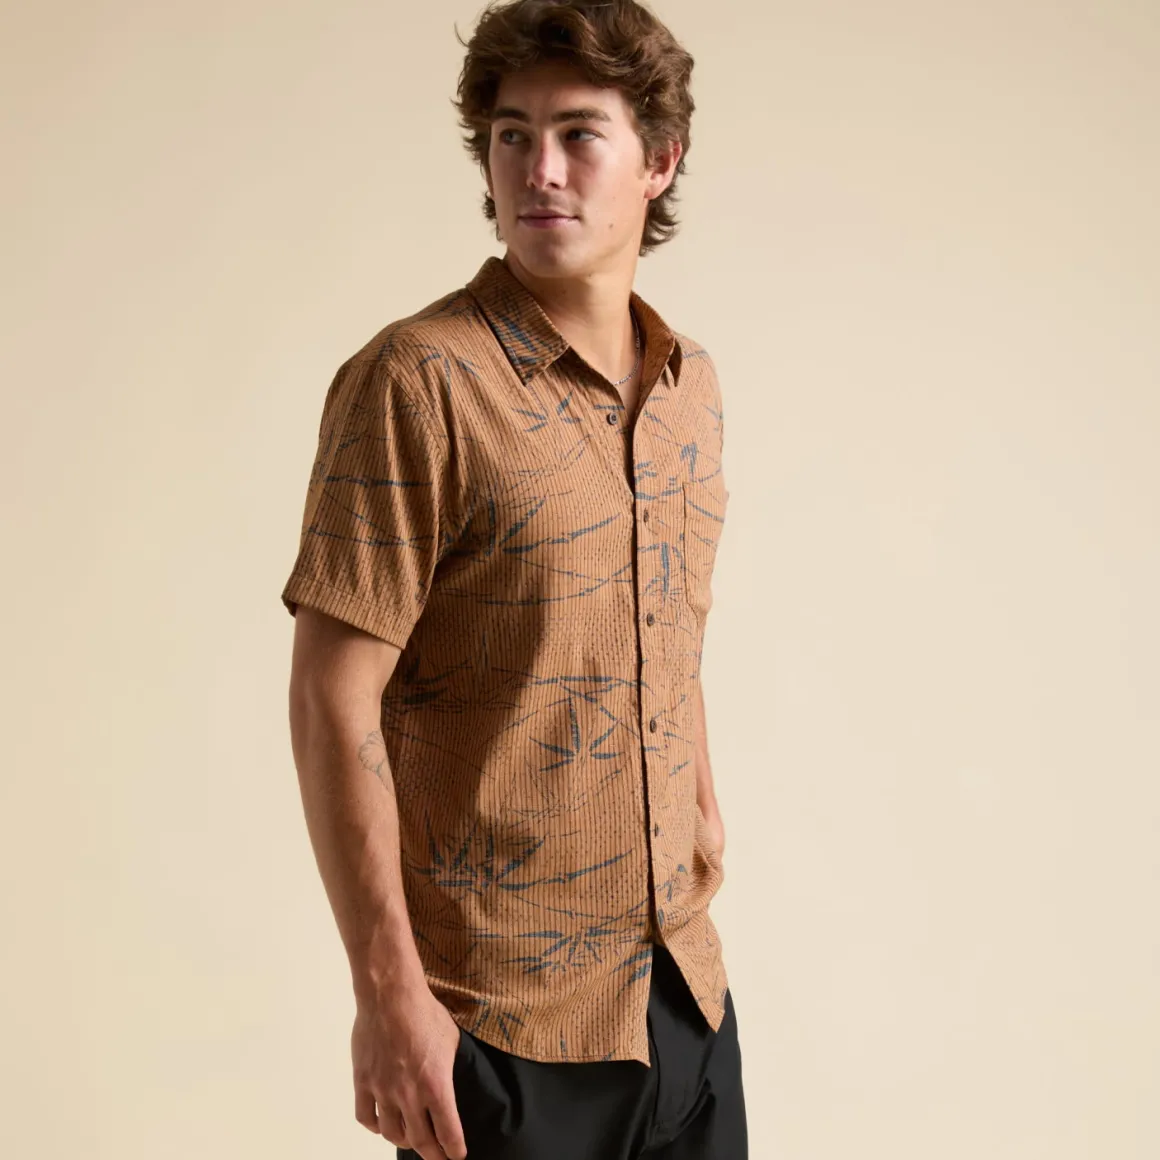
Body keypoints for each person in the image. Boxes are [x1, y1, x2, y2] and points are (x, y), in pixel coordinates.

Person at [280, 2, 745, 1156]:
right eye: (510, 135)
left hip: (682, 995)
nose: (538, 170)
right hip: (499, 1021)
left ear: (659, 159)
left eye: (578, 133)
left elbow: (666, 620)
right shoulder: (418, 382)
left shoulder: (687, 385)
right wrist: (388, 996)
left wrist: (699, 799)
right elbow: (331, 699)